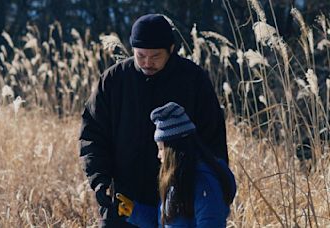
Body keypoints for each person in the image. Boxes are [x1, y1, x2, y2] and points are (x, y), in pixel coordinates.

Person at [79, 13, 228, 227]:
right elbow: (91, 135)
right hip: (122, 202)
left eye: (155, 56)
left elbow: (212, 141)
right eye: (140, 56)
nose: (147, 62)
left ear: (171, 50)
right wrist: (101, 183)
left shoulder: (193, 80)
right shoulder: (113, 80)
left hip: (179, 199)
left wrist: (209, 186)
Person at [116, 102, 237, 227]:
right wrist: (135, 212)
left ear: (172, 150)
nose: (158, 155)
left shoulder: (204, 184)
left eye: (161, 148)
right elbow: (167, 224)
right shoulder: (179, 180)